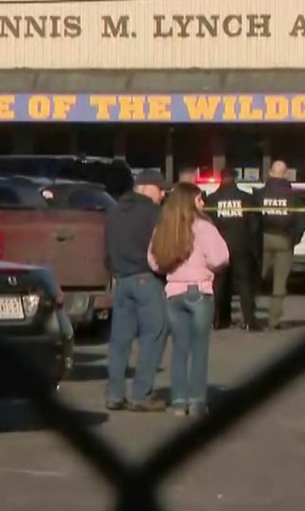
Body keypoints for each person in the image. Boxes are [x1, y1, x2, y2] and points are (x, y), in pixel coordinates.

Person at [147, 182, 229, 417]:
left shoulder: (164, 228)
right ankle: (197, 402)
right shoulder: (204, 227)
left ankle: (179, 402)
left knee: (179, 349)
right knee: (199, 350)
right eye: (200, 199)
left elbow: (154, 261)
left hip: (173, 292)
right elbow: (220, 258)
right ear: (191, 201)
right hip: (200, 292)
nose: (203, 203)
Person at [103, 169, 169, 413]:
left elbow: (106, 248)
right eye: (161, 189)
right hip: (147, 278)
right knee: (154, 334)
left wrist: (114, 271)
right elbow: (163, 246)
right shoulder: (154, 213)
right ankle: (142, 394)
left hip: (121, 280)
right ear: (147, 188)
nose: (163, 194)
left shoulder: (115, 211)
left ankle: (114, 393)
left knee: (120, 340)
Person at [204, 167, 261, 331]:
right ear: (236, 179)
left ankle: (215, 320)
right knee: (244, 284)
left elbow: (207, 224)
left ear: (221, 178)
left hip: (218, 246)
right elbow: (254, 225)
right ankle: (249, 320)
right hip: (242, 245)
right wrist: (251, 243)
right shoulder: (246, 199)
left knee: (218, 285)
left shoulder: (212, 200)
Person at [253, 160, 305, 330]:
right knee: (280, 283)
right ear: (285, 174)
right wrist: (293, 240)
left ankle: (249, 317)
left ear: (270, 172)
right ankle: (273, 321)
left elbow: (252, 219)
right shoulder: (293, 196)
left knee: (255, 279)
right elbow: (301, 221)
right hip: (284, 240)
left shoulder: (259, 194)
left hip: (262, 239)